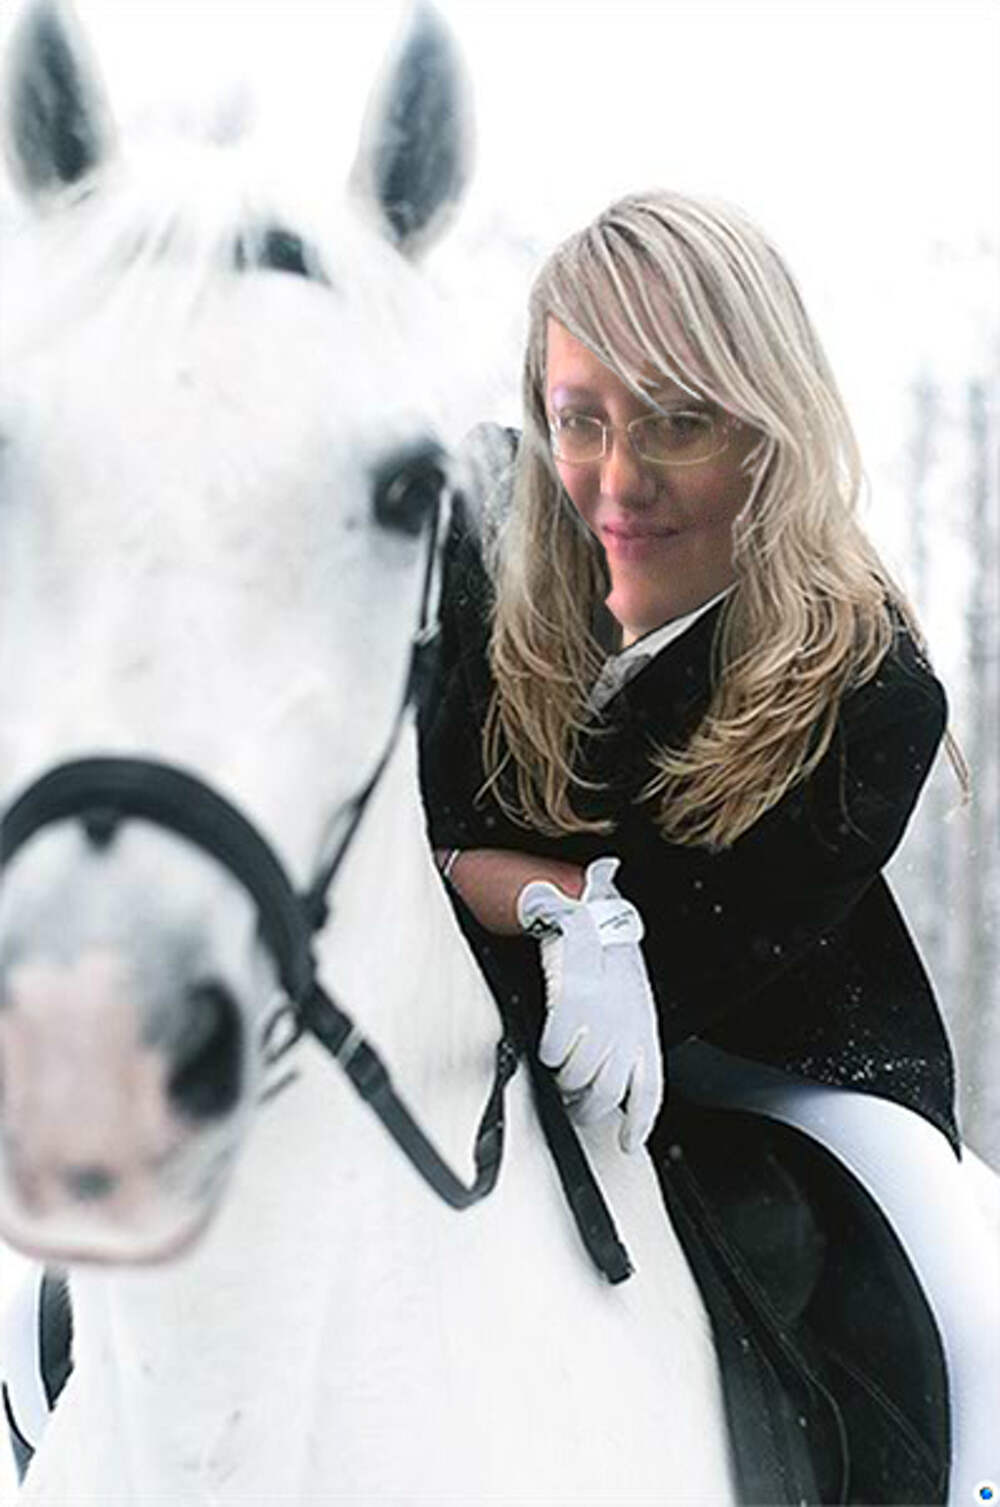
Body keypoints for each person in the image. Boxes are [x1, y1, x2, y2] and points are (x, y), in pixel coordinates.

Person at [418, 190, 998, 1505]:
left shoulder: (872, 680)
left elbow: (682, 958)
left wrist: (530, 901)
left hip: (781, 1058)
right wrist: (550, 901)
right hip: (473, 1014)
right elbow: (410, 835)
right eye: (581, 419)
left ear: (762, 421)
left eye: (676, 421)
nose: (618, 479)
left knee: (973, 1319)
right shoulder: (476, 536)